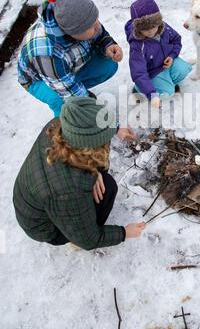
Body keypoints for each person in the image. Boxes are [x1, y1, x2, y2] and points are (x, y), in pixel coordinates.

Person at [13, 97, 145, 250]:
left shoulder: (58, 125)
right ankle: (72, 241)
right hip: (46, 227)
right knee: (107, 189)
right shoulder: (69, 190)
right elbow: (89, 240)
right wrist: (124, 233)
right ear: (90, 145)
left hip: (35, 201)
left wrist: (94, 171)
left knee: (103, 181)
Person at [17, 0, 123, 117]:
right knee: (61, 101)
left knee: (108, 65)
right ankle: (64, 125)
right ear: (73, 32)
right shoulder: (48, 54)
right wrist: (104, 118)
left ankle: (76, 89)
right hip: (38, 79)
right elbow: (68, 91)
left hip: (63, 68)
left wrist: (107, 44)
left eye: (96, 20)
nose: (97, 26)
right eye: (92, 26)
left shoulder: (79, 23)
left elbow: (99, 33)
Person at [125, 0, 192, 108]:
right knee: (167, 93)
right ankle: (139, 88)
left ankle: (165, 83)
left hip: (165, 64)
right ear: (138, 29)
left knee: (184, 69)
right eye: (145, 29)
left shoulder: (163, 28)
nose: (151, 31)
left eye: (153, 26)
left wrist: (172, 56)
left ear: (158, 22)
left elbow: (176, 40)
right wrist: (152, 94)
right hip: (151, 73)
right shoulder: (137, 45)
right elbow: (138, 72)